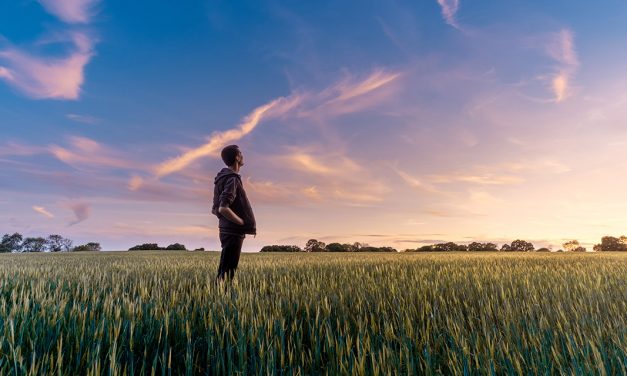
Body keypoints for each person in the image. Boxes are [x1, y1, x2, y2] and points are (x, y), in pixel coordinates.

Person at [212, 145, 256, 285]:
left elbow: (214, 209)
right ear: (237, 157)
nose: (243, 156)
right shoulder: (232, 179)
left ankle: (218, 297)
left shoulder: (221, 178)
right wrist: (241, 222)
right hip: (233, 231)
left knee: (225, 269)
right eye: (241, 153)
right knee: (228, 272)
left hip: (225, 229)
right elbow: (222, 208)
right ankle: (221, 300)